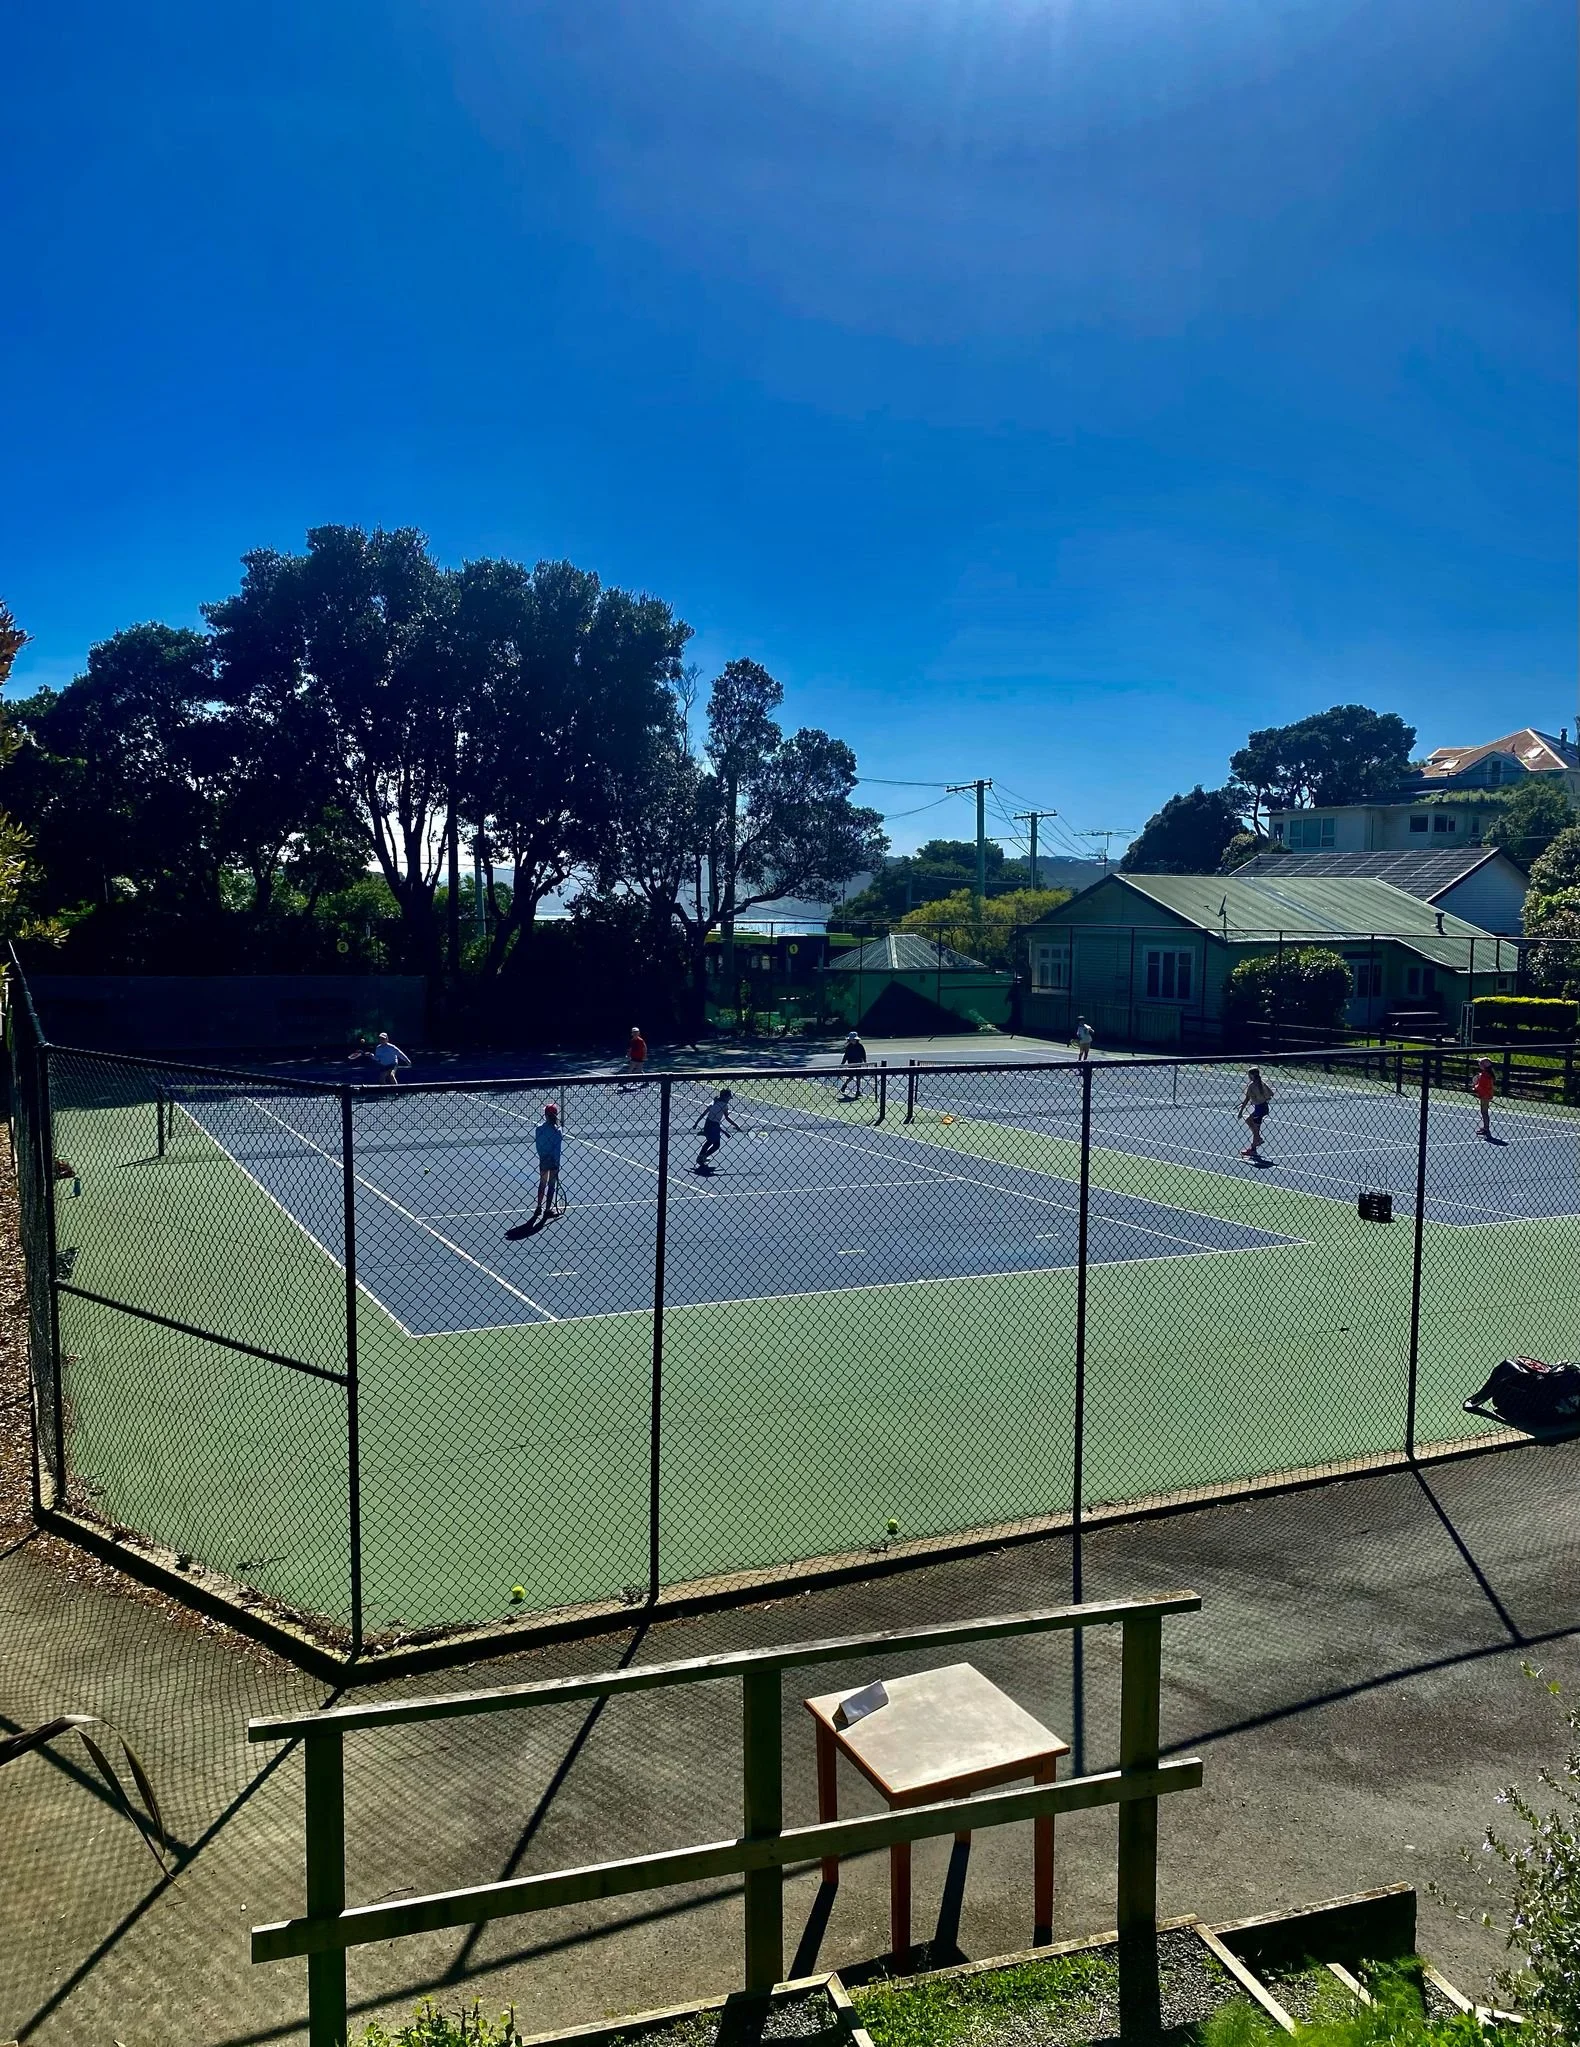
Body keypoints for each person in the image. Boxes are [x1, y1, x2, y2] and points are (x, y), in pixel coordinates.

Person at [693, 1087, 739, 1173]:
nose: (729, 1099)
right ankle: (703, 1156)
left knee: (709, 1141)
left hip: (708, 1124)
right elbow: (726, 1118)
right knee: (716, 1144)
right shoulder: (724, 1106)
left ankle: (701, 1157)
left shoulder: (714, 1102)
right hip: (714, 1126)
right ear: (725, 1097)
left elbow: (704, 1114)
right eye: (729, 1097)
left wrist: (696, 1123)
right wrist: (735, 1125)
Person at [532, 1103, 564, 1220]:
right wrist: (556, 1162)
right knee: (551, 1185)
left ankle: (539, 1206)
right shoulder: (558, 1131)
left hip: (544, 1159)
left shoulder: (539, 1129)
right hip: (553, 1161)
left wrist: (543, 1156)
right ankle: (547, 1210)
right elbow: (557, 1149)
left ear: (545, 1115)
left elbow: (538, 1146)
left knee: (542, 1183)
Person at [1238, 1067, 1274, 1160]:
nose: (1248, 1077)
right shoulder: (1262, 1083)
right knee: (1254, 1125)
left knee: (1251, 1123)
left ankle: (1257, 1139)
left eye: (1249, 1075)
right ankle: (1254, 1147)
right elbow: (1270, 1095)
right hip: (1264, 1107)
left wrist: (1241, 1111)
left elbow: (1247, 1099)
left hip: (1259, 1109)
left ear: (1252, 1076)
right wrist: (1260, 1098)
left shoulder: (1251, 1086)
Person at [838, 1031, 868, 1101]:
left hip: (859, 1064)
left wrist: (865, 1062)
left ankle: (858, 1091)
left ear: (856, 1039)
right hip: (851, 1064)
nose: (852, 1041)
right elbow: (845, 1056)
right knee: (851, 1077)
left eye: (854, 1039)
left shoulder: (860, 1046)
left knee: (858, 1078)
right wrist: (842, 1064)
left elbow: (863, 1054)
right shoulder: (849, 1047)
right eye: (851, 1039)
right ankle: (844, 1085)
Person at [1472, 1057, 1496, 1140]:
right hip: (1487, 1095)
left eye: (1480, 1064)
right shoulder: (1487, 1074)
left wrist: (1474, 1087)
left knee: (1484, 1112)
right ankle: (1486, 1127)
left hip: (1484, 1096)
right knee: (1484, 1111)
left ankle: (1486, 1128)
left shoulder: (1484, 1076)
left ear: (1484, 1066)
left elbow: (1480, 1086)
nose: (1479, 1065)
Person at [620, 1025, 648, 1091]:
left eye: (636, 1032)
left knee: (639, 1070)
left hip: (640, 1058)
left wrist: (644, 1056)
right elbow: (631, 1048)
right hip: (633, 1058)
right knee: (630, 1069)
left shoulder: (641, 1040)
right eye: (634, 1032)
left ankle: (645, 1080)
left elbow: (645, 1048)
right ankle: (625, 1081)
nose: (635, 1033)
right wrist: (628, 1054)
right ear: (632, 1033)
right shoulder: (632, 1040)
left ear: (638, 1033)